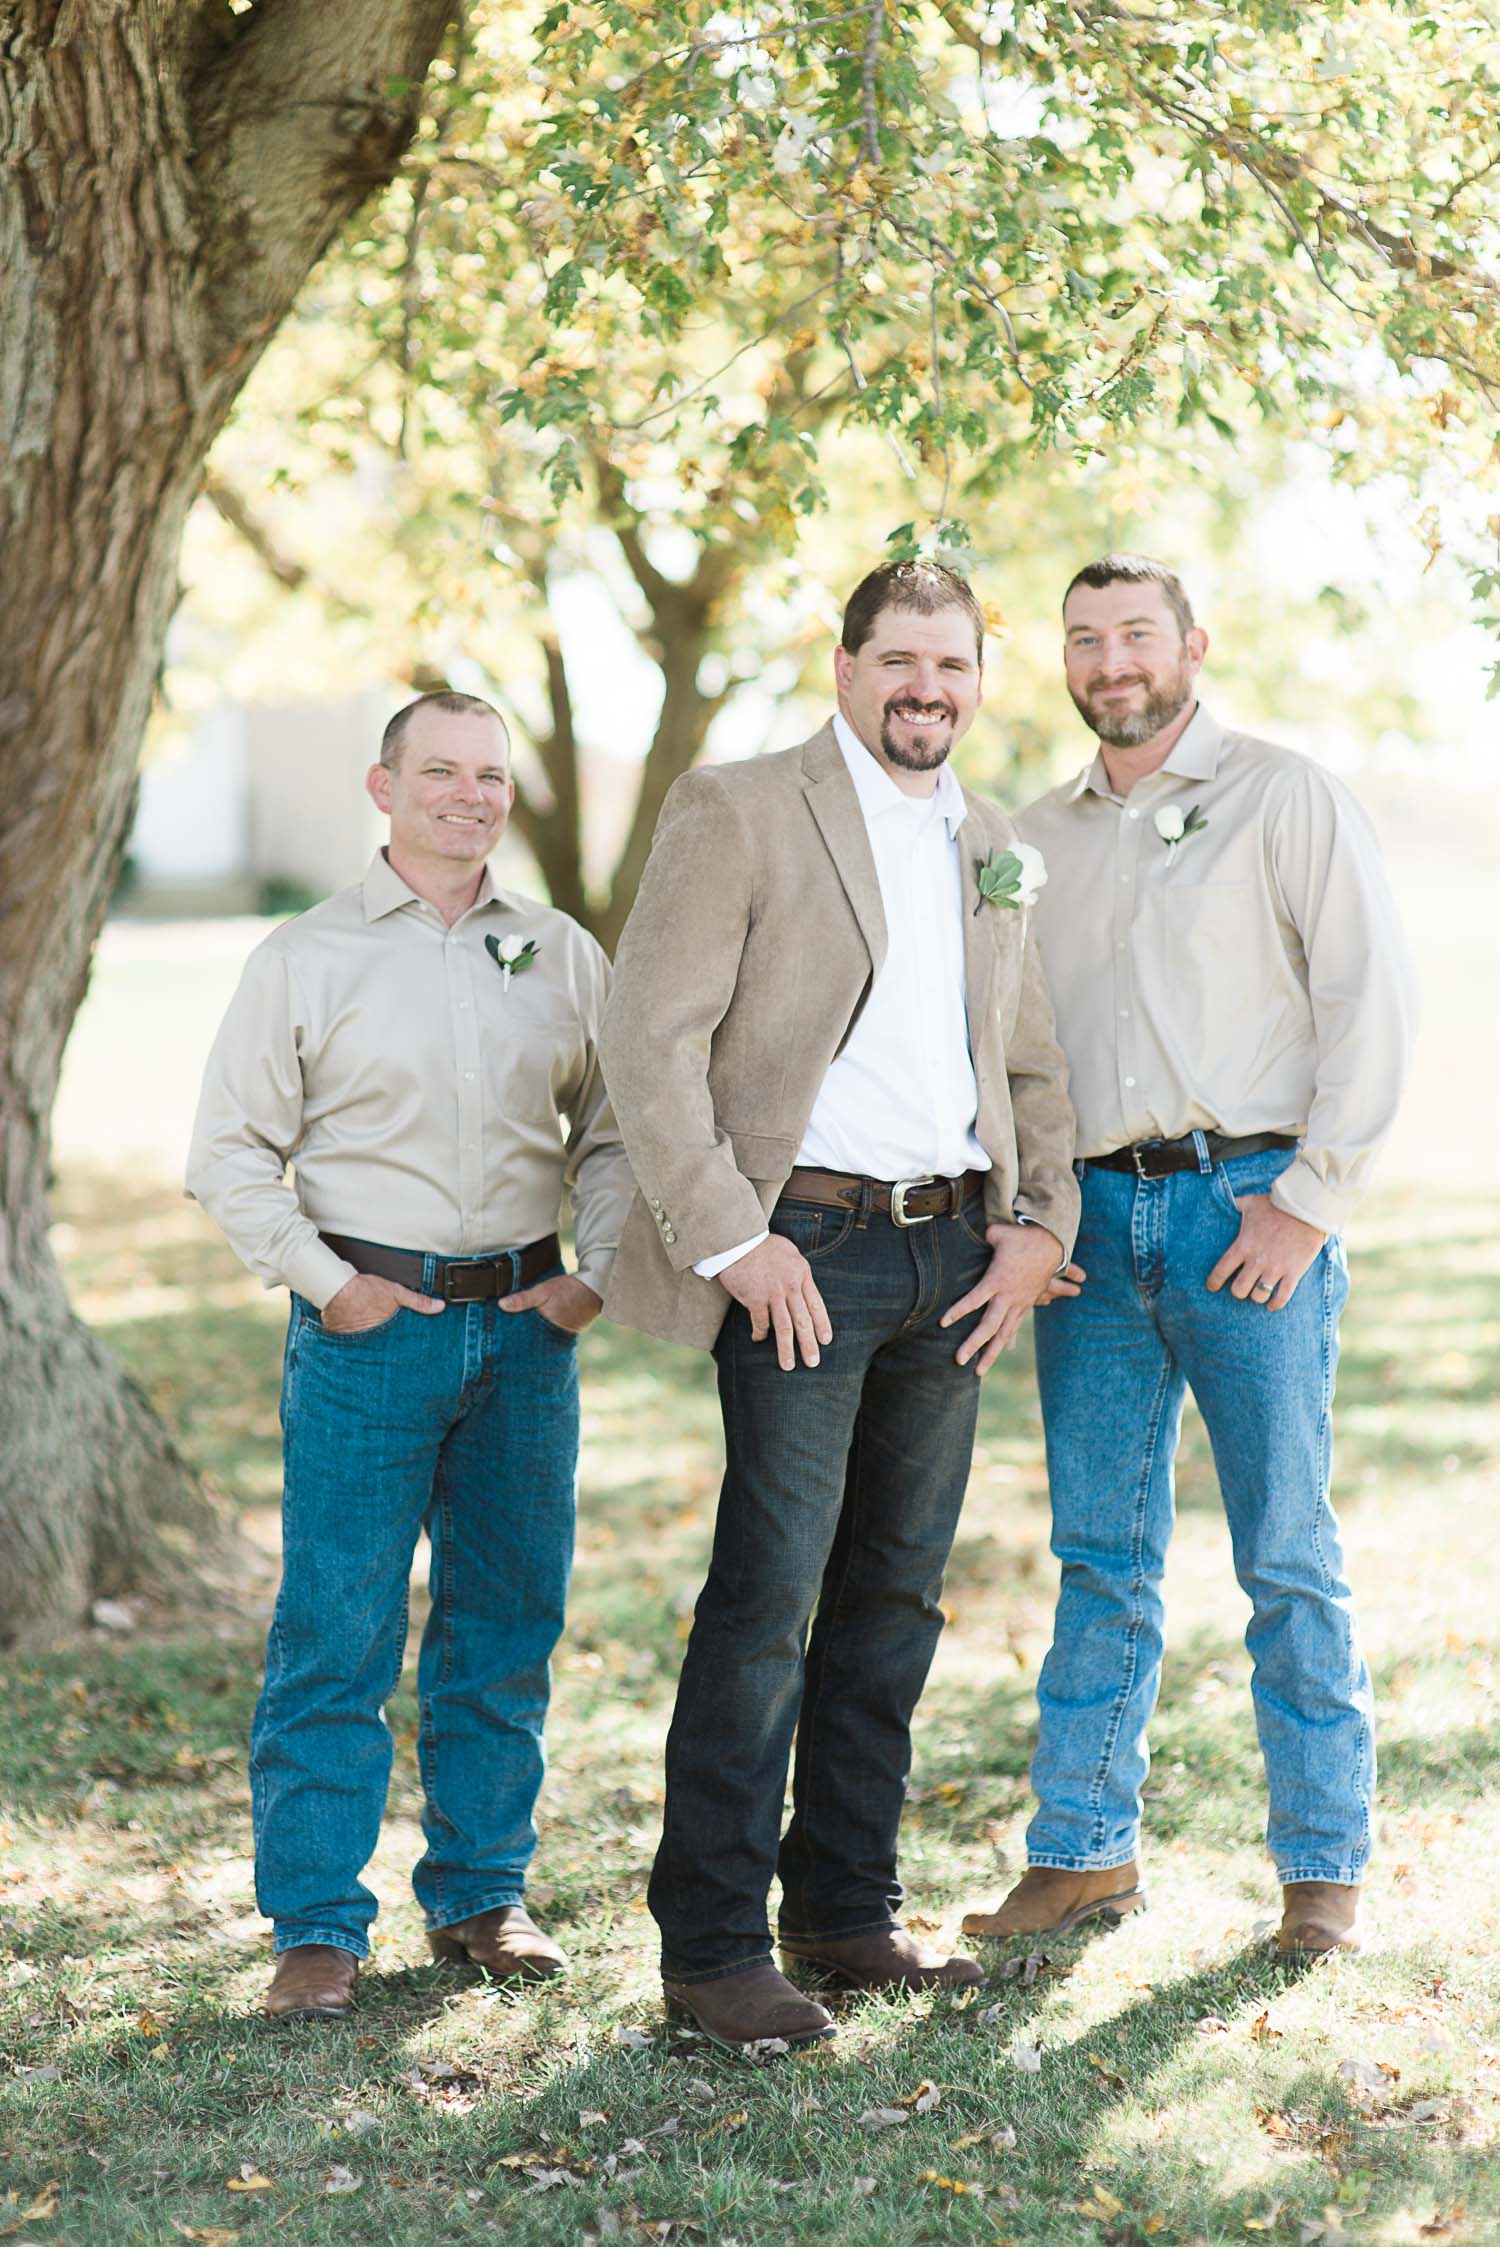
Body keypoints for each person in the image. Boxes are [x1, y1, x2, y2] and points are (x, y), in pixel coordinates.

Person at [599, 560, 1080, 2048]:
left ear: (980, 679)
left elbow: (1035, 1071)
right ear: (846, 662)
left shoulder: (993, 843)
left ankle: (844, 1912)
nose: (927, 688)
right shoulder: (739, 807)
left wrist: (1037, 1231)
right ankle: (715, 1950)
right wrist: (733, 1239)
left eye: (953, 665)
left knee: (895, 1601)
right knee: (766, 1601)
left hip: (956, 1263)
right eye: (900, 661)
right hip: (801, 1252)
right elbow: (648, 1033)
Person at [962, 555, 1416, 1958]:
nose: (1111, 661)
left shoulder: (1284, 796)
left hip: (1247, 1217)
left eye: (1136, 635)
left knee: (1285, 1549)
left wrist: (1309, 1200)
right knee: (1104, 1552)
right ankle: (1083, 1852)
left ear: (1193, 645)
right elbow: (1007, 1051)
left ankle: (1322, 1871)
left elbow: (1369, 1000)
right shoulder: (1031, 838)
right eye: (1085, 639)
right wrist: (1034, 1211)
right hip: (1089, 1232)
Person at [187, 690, 631, 2019]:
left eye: (489, 775)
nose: (469, 795)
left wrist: (591, 1275)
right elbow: (227, 1153)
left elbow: (612, 1134)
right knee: (338, 1630)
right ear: (384, 789)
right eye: (440, 772)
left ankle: (484, 1895)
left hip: (524, 1332)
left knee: (505, 1625)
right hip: (368, 1334)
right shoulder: (305, 957)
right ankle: (317, 1926)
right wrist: (330, 1286)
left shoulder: (558, 952)